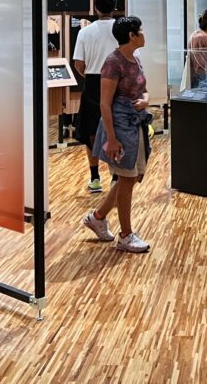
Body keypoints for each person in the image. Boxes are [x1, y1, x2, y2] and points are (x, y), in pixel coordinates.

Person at [82, 17, 152, 253]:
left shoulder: (135, 58)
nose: (144, 34)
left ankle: (98, 217)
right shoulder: (113, 62)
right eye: (140, 30)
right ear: (132, 35)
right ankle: (125, 235)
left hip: (135, 123)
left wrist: (146, 101)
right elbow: (105, 104)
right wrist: (111, 139)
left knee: (129, 178)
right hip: (121, 127)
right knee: (126, 178)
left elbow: (144, 89)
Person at [72, 0, 118, 193]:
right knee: (116, 128)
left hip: (92, 83)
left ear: (95, 7)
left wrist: (90, 75)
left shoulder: (85, 32)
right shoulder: (122, 29)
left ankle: (95, 177)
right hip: (116, 83)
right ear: (114, 6)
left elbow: (79, 65)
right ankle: (116, 176)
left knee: (91, 132)